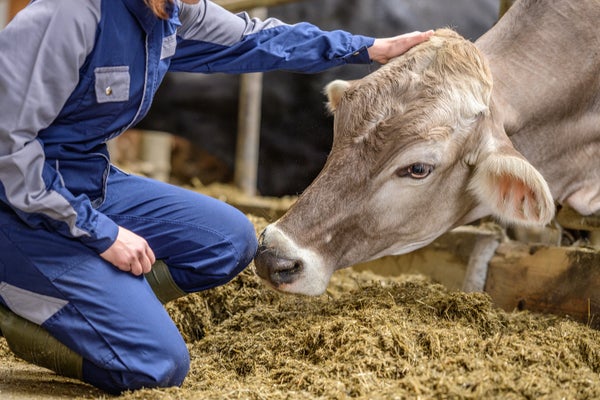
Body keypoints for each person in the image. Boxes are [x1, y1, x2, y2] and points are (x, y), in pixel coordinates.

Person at [0, 0, 432, 394]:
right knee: (157, 365)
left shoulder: (170, 13)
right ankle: (24, 313)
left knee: (229, 238)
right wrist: (105, 236)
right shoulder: (72, 16)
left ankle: (94, 306)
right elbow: (9, 151)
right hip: (19, 207)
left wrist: (369, 49)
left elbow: (259, 39)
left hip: (88, 185)